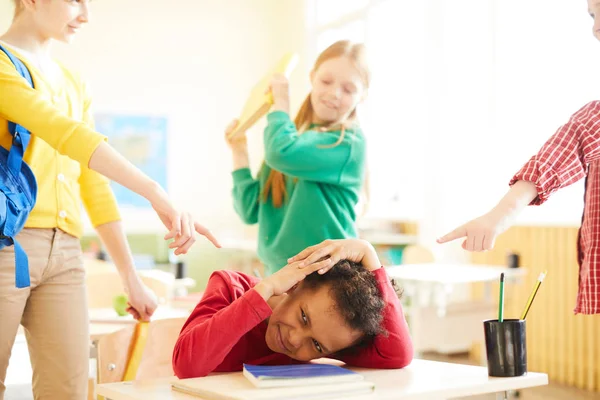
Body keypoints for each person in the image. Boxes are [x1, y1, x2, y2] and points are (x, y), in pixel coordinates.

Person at [0, 1, 219, 398]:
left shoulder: (73, 82)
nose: (84, 15)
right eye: (74, 2)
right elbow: (62, 131)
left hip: (66, 253)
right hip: (8, 245)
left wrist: (131, 279)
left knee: (67, 390)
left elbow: (93, 183)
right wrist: (155, 192)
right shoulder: (2, 65)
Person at [437, 0, 600, 315]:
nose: (596, 27)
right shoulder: (593, 118)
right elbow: (546, 165)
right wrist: (495, 219)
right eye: (593, 16)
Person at [225, 40, 369, 275]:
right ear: (312, 77)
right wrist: (239, 150)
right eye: (326, 81)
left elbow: (281, 151)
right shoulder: (290, 140)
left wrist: (281, 102)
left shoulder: (347, 142)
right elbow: (248, 209)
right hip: (280, 278)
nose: (334, 93)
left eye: (348, 89)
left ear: (362, 96)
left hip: (329, 279)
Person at [172, 238, 413, 378]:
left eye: (317, 346)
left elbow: (398, 355)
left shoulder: (329, 334)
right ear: (296, 283)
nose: (295, 339)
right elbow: (186, 365)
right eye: (303, 317)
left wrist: (368, 255)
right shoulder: (231, 288)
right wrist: (264, 290)